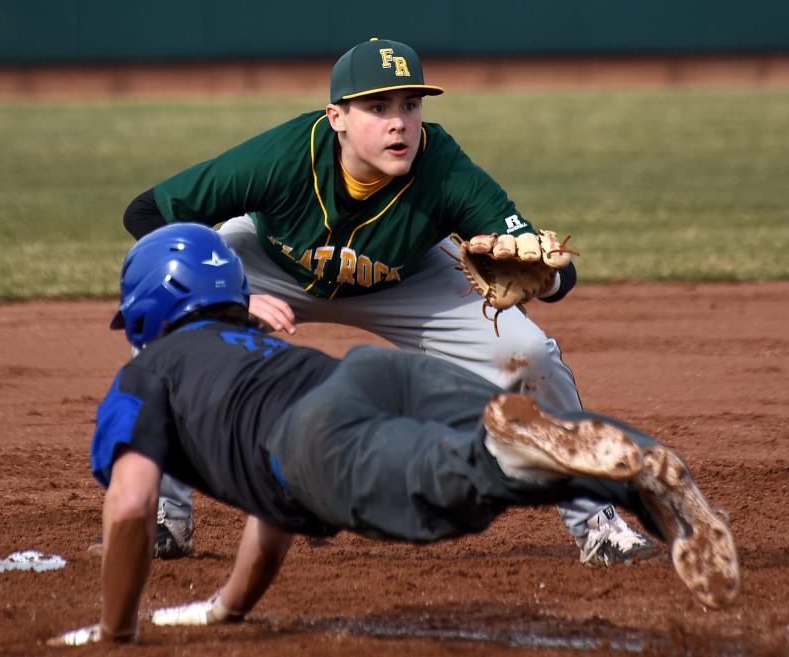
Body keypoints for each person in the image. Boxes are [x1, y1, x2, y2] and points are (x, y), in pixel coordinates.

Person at [49, 224, 738, 646]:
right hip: (360, 375)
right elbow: (271, 514)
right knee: (549, 436)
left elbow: (133, 505)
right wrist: (229, 605)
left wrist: (118, 631)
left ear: (145, 306)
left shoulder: (147, 375)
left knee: (449, 484)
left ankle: (502, 453)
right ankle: (643, 482)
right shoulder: (247, 344)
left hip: (316, 436)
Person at [120, 37, 651, 564]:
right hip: (272, 265)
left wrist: (545, 279)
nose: (399, 122)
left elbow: (559, 272)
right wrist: (231, 295)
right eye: (377, 107)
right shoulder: (284, 157)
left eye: (410, 105)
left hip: (407, 279)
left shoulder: (443, 168)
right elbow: (146, 213)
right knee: (173, 331)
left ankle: (598, 526)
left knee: (528, 354)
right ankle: (162, 519)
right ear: (337, 117)